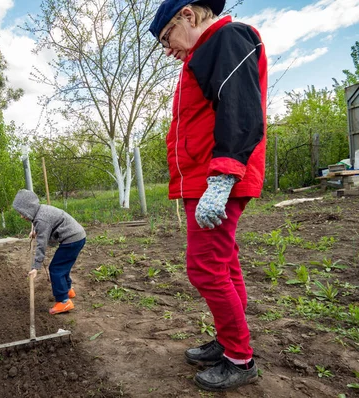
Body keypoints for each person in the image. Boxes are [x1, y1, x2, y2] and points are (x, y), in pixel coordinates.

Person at [148, 0, 267, 392]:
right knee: (223, 262)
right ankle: (229, 340)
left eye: (167, 37)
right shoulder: (206, 51)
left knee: (205, 267)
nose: (168, 49)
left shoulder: (226, 39)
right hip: (207, 177)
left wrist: (222, 177)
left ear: (188, 14)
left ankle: (239, 356)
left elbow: (241, 109)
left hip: (216, 178)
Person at [12, 189, 86, 314]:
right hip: (78, 236)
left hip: (72, 240)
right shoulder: (42, 210)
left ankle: (63, 301)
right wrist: (36, 231)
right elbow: (47, 226)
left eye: (22, 212)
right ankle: (67, 289)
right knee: (64, 266)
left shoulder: (41, 220)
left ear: (30, 208)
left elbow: (42, 245)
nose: (21, 216)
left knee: (56, 269)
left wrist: (36, 267)